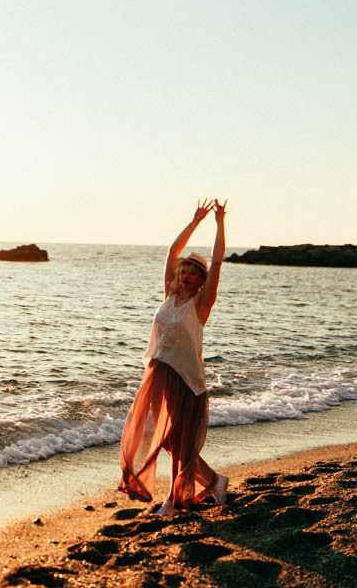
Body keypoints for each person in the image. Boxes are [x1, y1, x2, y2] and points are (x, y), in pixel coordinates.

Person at [118, 198, 228, 516]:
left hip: (186, 378)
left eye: (194, 273)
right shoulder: (169, 295)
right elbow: (171, 252)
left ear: (202, 281)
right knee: (164, 437)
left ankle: (172, 498)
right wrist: (194, 222)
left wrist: (220, 224)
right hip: (157, 372)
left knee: (179, 442)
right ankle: (214, 480)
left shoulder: (201, 304)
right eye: (184, 271)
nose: (187, 276)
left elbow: (218, 262)